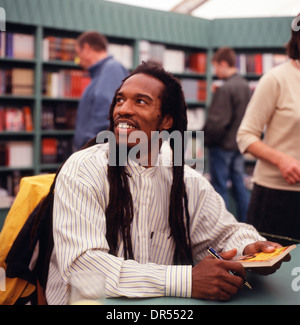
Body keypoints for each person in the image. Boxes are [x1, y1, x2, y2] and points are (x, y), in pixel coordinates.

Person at [46, 62, 287, 305]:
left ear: (167, 121)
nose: (123, 109)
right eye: (120, 100)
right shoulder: (84, 169)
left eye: (140, 101)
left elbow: (225, 232)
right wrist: (187, 280)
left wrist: (249, 249)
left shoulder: (182, 178)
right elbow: (84, 270)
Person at [237, 18, 300, 245]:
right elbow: (245, 136)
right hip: (277, 197)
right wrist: (281, 159)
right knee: (275, 277)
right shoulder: (276, 79)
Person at [203, 47, 250, 222]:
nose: (215, 71)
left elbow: (217, 122)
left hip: (221, 146)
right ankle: (246, 226)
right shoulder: (245, 85)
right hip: (238, 145)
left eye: (215, 67)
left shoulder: (225, 89)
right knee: (240, 186)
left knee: (220, 188)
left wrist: (206, 139)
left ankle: (223, 227)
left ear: (223, 64)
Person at [73, 30, 129, 150]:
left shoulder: (111, 69)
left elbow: (107, 114)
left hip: (95, 153)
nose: (77, 61)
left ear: (86, 48)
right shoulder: (101, 73)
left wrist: (88, 149)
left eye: (78, 54)